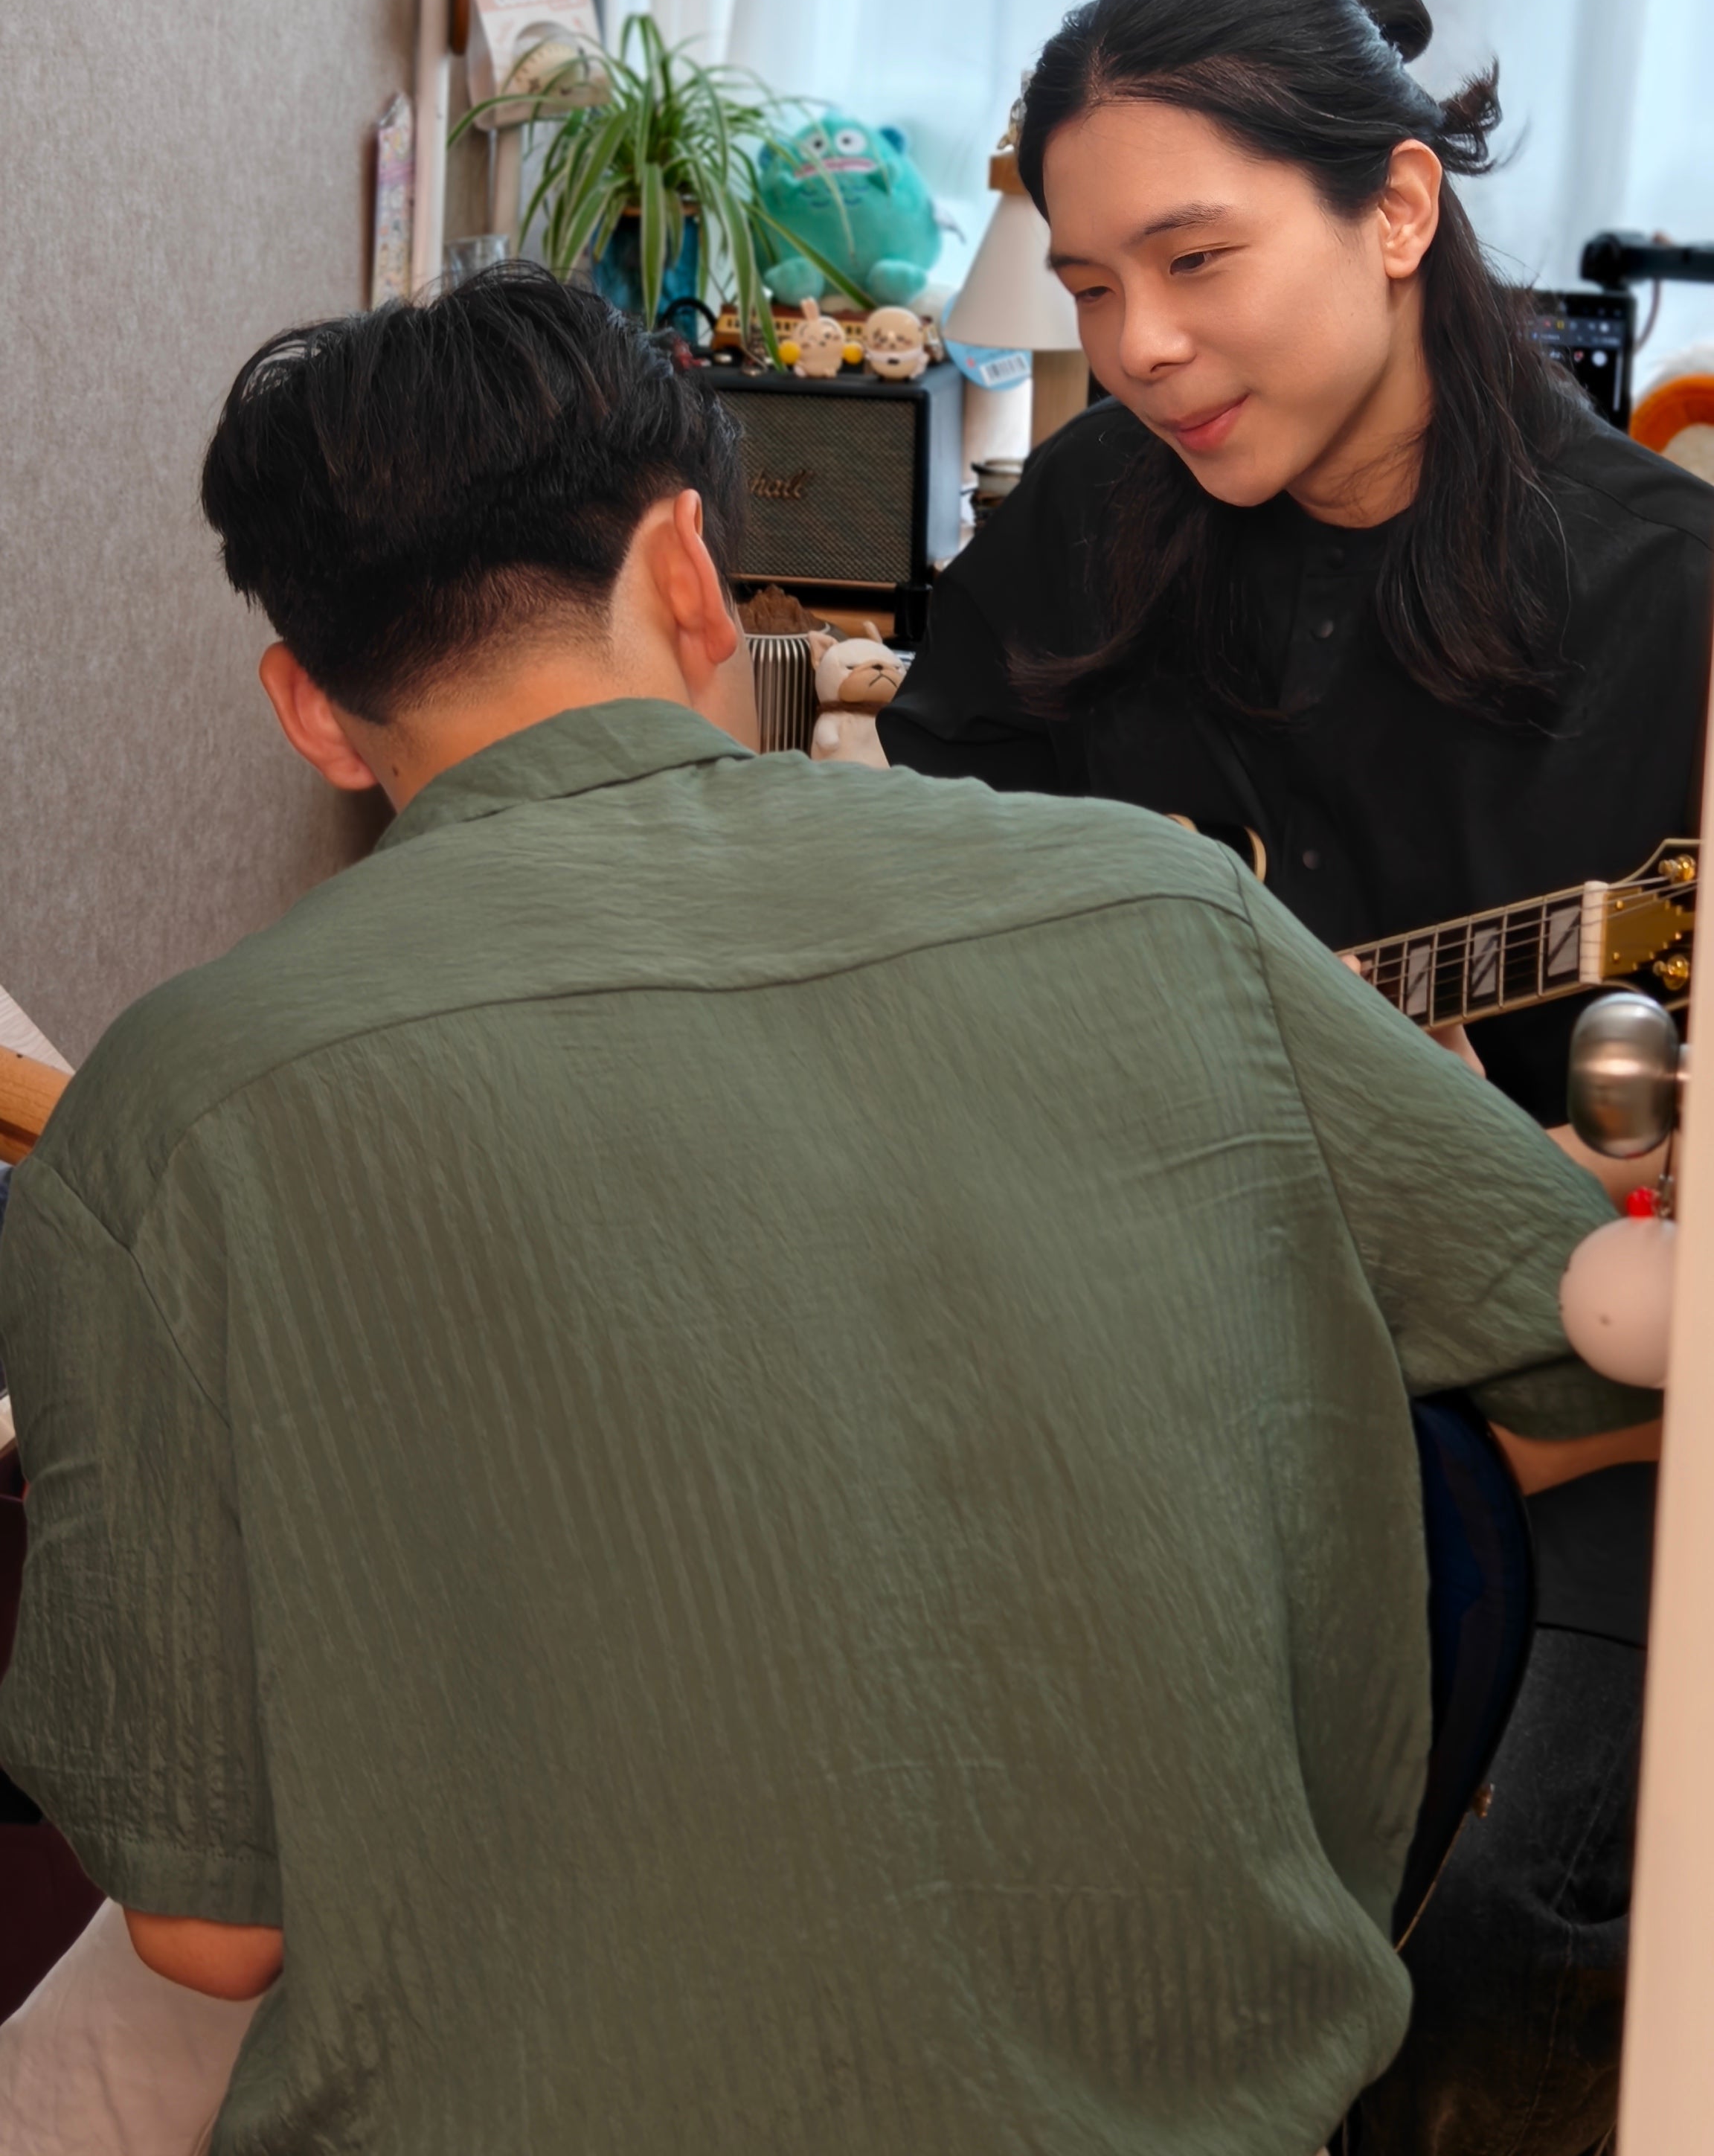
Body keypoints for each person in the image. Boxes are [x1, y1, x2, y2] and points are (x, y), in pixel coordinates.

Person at [0, 267, 1650, 2156]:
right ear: (697, 567)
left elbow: (214, 1935)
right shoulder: (1159, 908)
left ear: (312, 709)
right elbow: (1594, 1353)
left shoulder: (169, 1113)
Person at [880, 0, 1714, 2155]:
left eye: (1197, 258)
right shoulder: (1082, 532)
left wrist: (1521, 1198)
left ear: (1399, 214)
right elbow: (924, 945)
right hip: (1121, 1417)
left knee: (1478, 1977)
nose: (1138, 346)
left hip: (1562, 1466)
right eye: (1087, 284)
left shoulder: (1669, 607)